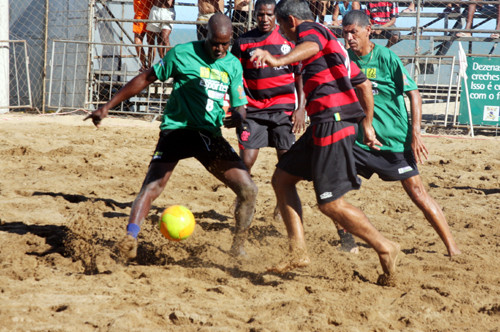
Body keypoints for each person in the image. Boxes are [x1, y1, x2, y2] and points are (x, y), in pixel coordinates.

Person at [85, 13, 258, 259]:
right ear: (205, 35)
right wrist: (107, 106)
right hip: (177, 131)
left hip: (208, 135)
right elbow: (146, 77)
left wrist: (240, 119)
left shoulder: (232, 64)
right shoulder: (182, 54)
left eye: (225, 43)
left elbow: (240, 104)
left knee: (248, 190)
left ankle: (238, 247)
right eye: (215, 42)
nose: (219, 48)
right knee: (152, 186)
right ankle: (130, 238)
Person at [250, 0, 400, 282]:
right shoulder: (333, 45)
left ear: (291, 21)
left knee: (330, 204)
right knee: (282, 179)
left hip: (334, 122)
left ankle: (385, 246)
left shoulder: (312, 31)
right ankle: (298, 252)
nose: (282, 34)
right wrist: (366, 125)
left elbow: (311, 46)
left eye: (282, 27)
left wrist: (278, 59)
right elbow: (363, 84)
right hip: (326, 123)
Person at [340, 10, 461, 257]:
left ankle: (452, 247)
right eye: (345, 33)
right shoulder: (345, 60)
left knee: (417, 192)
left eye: (354, 32)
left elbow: (414, 93)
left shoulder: (385, 58)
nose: (350, 38)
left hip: (395, 140)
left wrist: (415, 132)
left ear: (368, 31)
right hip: (361, 141)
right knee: (333, 184)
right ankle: (346, 240)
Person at [231, 0, 306, 218]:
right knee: (246, 161)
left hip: (283, 109)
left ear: (276, 16)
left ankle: (283, 201)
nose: (265, 19)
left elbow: (300, 76)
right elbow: (235, 76)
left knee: (287, 160)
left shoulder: (288, 41)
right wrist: (238, 106)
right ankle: (244, 201)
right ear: (255, 15)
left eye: (269, 14)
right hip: (253, 110)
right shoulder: (244, 42)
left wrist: (300, 108)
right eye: (261, 14)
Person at [133, 0, 154, 71]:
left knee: (150, 42)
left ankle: (149, 66)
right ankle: (144, 65)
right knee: (137, 41)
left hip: (150, 15)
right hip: (139, 16)